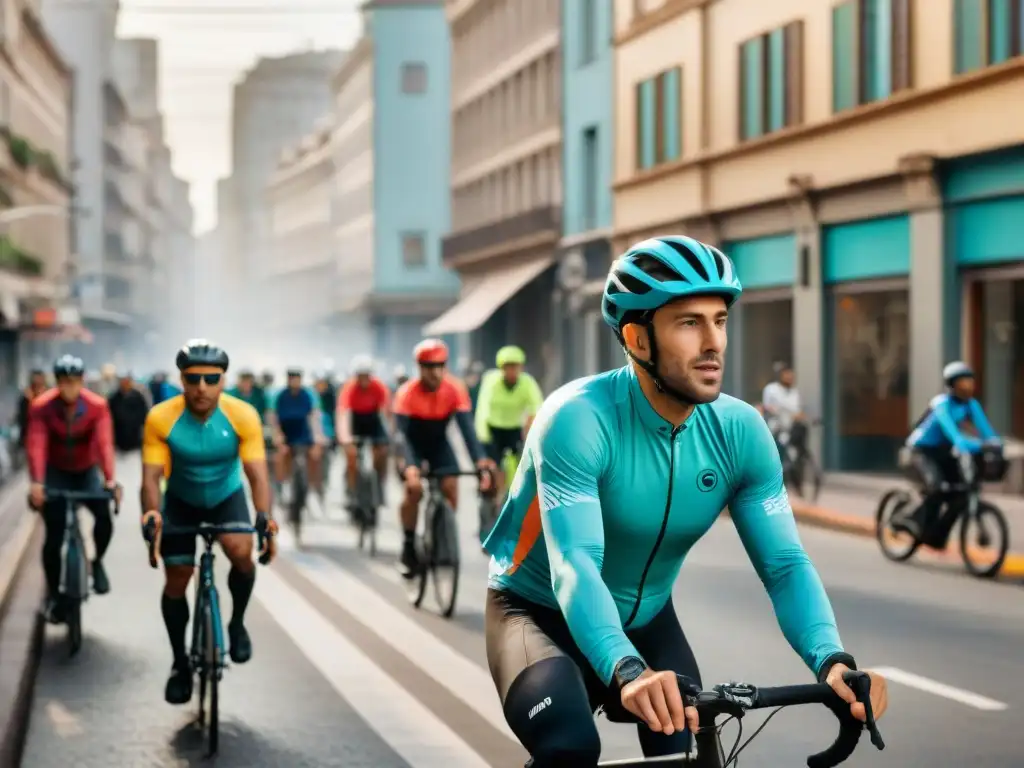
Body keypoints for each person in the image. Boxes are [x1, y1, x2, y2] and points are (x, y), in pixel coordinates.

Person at [481, 236, 888, 766]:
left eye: (719, 319)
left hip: (647, 618)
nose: (714, 341)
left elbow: (785, 565)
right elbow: (575, 565)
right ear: (638, 338)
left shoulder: (741, 432)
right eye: (689, 323)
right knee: (570, 746)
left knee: (688, 739)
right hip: (537, 613)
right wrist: (625, 670)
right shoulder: (577, 419)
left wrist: (831, 660)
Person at [139, 340, 276, 705]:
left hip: (225, 498)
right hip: (180, 501)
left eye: (211, 379)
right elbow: (151, 479)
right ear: (181, 379)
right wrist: (151, 515)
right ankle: (179, 662)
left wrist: (263, 517)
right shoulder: (160, 417)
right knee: (177, 579)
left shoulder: (243, 414)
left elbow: (258, 476)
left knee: (240, 551)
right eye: (193, 378)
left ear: (223, 380)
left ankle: (236, 624)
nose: (202, 387)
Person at [26, 355, 121, 620]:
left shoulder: (96, 406)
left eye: (75, 381)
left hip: (86, 471)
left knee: (104, 516)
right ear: (56, 383)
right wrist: (37, 482)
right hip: (55, 473)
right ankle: (55, 595)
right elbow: (37, 443)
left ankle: (98, 560)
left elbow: (104, 443)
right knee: (53, 536)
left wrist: (110, 479)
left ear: (82, 382)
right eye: (64, 381)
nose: (69, 387)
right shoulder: (41, 406)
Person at [392, 339, 494, 575]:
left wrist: (479, 461)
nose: (435, 372)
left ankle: (442, 536)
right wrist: (410, 467)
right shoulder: (406, 393)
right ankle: (408, 544)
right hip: (413, 443)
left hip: (439, 442)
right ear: (419, 367)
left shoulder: (455, 388)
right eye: (429, 366)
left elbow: (467, 430)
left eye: (440, 366)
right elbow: (402, 437)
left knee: (450, 483)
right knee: (414, 489)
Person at [903, 361, 1002, 542]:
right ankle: (911, 518)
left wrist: (996, 443)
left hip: (943, 451)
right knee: (937, 486)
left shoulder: (971, 405)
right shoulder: (942, 404)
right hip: (922, 450)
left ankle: (936, 536)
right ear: (950, 386)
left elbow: (986, 430)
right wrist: (975, 444)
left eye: (969, 382)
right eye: (961, 383)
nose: (967, 387)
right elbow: (953, 433)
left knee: (961, 492)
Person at [474, 346, 543, 499]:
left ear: (521, 367)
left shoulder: (527, 382)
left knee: (522, 465)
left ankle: (515, 495)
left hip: (514, 429)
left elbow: (536, 410)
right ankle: (492, 496)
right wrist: (483, 437)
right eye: (508, 367)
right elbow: (482, 410)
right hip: (493, 429)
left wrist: (531, 435)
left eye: (515, 367)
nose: (512, 371)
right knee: (492, 467)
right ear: (501, 368)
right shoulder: (491, 381)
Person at [336, 355, 390, 508]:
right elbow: (343, 414)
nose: (364, 379)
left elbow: (386, 412)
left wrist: (388, 436)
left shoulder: (379, 387)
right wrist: (345, 439)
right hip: (355, 421)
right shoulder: (349, 388)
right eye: (361, 376)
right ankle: (351, 490)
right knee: (352, 456)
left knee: (382, 452)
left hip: (373, 420)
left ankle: (379, 484)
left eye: (367, 376)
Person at [267, 367, 326, 502]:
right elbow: (273, 418)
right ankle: (283, 486)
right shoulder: (279, 395)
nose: (294, 381)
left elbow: (315, 417)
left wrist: (317, 438)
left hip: (303, 432)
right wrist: (278, 436)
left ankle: (312, 489)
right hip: (286, 433)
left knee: (314, 457)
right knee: (281, 456)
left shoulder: (308, 395)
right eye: (291, 378)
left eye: (297, 378)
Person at [761, 362, 804, 453]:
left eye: (791, 376)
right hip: (775, 426)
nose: (789, 378)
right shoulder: (771, 389)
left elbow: (798, 411)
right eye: (787, 375)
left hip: (790, 428)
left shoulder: (794, 393)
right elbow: (767, 407)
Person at [108, 371, 149, 452]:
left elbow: (144, 415)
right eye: (123, 381)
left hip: (135, 441)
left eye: (127, 381)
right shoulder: (114, 398)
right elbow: (110, 417)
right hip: (119, 442)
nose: (125, 383)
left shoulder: (138, 396)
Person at [16, 369, 47, 456]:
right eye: (35, 384)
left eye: (39, 383)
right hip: (29, 439)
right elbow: (22, 420)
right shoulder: (25, 399)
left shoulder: (49, 399)